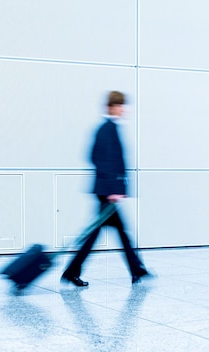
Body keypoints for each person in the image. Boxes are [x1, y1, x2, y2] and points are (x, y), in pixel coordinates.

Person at [61, 91, 150, 287]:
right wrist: (113, 189)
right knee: (108, 233)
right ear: (111, 107)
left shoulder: (108, 128)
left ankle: (137, 270)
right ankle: (136, 270)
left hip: (107, 191)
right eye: (119, 106)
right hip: (107, 193)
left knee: (114, 232)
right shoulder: (108, 129)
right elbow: (102, 160)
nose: (123, 109)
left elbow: (97, 157)